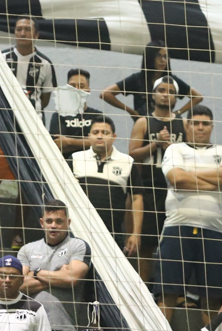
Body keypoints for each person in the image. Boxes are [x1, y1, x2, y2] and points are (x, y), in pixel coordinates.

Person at [0, 17, 56, 249]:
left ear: (36, 34)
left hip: (32, 134)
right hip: (4, 129)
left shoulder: (45, 64)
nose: (22, 32)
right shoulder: (1, 58)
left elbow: (45, 98)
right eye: (18, 29)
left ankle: (17, 235)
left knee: (26, 185)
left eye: (27, 29)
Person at [159, 105, 222, 323]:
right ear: (187, 125)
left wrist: (190, 173)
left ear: (212, 126)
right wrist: (214, 182)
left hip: (214, 231)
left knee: (212, 296)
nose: (200, 128)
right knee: (168, 293)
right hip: (177, 228)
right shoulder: (174, 150)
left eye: (205, 123)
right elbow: (177, 179)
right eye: (195, 123)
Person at [127, 75, 185, 283]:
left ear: (176, 98)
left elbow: (190, 156)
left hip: (175, 189)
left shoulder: (183, 123)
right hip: (149, 187)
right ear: (153, 95)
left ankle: (171, 289)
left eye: (170, 91)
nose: (165, 94)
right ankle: (143, 287)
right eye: (161, 90)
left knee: (174, 242)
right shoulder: (143, 122)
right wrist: (155, 144)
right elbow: (131, 154)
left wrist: (173, 149)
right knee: (147, 242)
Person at [69, 116, 143, 251]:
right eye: (95, 132)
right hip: (77, 232)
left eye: (105, 133)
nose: (100, 136)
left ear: (114, 136)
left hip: (112, 235)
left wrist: (135, 233)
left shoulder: (127, 162)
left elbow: (137, 198)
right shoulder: (75, 159)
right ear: (89, 136)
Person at [18, 200, 91, 331]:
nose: (53, 225)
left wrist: (35, 273)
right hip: (29, 325)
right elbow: (19, 285)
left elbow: (71, 279)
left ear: (68, 223)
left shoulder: (78, 246)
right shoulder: (27, 249)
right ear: (42, 223)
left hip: (62, 325)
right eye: (49, 221)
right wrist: (59, 276)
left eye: (59, 221)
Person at [101, 40, 202, 118]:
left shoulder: (171, 81)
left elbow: (197, 96)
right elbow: (105, 94)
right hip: (143, 128)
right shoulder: (137, 79)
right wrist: (131, 111)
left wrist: (178, 113)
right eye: (159, 56)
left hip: (167, 126)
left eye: (165, 57)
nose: (163, 60)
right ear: (150, 57)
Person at [48, 69, 103, 159]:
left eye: (81, 86)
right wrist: (88, 143)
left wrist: (69, 141)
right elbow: (58, 145)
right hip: (65, 167)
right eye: (72, 86)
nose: (77, 89)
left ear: (88, 91)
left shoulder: (98, 116)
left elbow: (101, 144)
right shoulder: (59, 115)